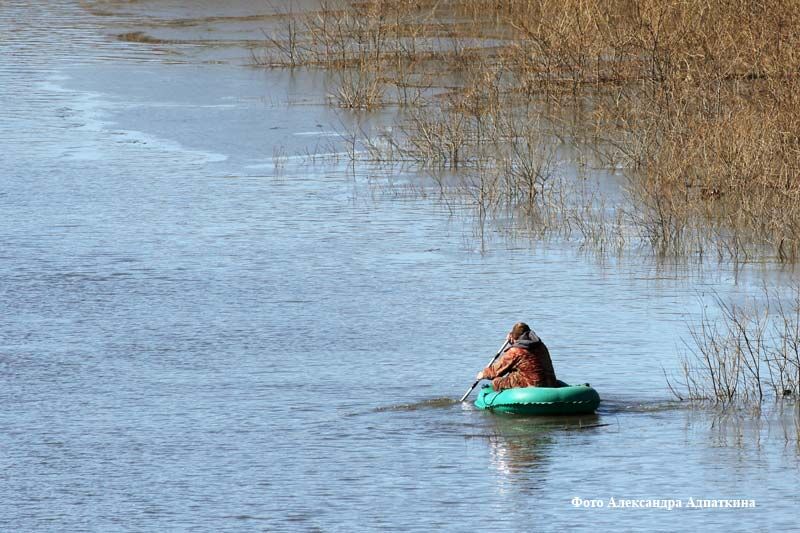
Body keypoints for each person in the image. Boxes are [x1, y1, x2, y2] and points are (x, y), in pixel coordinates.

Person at [476, 322, 558, 391]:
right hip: (550, 383)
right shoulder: (541, 346)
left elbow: (496, 371)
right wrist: (515, 343)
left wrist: (483, 374)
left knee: (496, 381)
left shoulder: (515, 351)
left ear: (514, 336)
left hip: (533, 385)